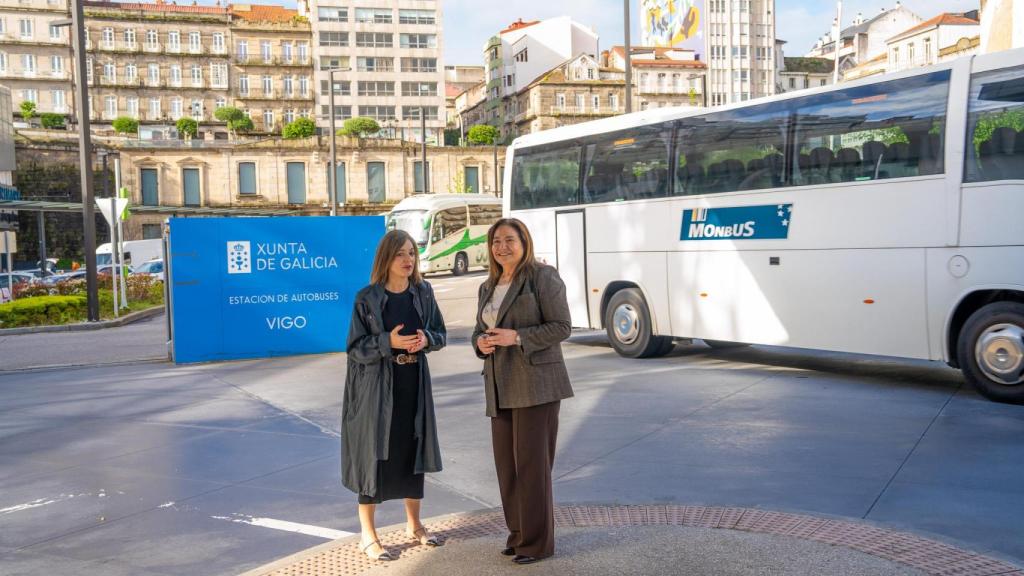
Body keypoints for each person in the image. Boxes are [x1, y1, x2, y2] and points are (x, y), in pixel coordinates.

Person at [472, 218, 574, 565]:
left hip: (536, 385)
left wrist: (517, 337)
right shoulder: (488, 286)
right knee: (508, 468)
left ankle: (537, 543)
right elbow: (478, 331)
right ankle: (517, 535)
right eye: (496, 241)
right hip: (499, 386)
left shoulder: (542, 277)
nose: (502, 247)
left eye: (509, 240)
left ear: (524, 242)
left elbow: (561, 326)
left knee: (532, 467)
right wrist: (481, 343)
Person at [341, 229, 446, 561]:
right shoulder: (366, 298)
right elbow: (355, 348)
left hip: (413, 383)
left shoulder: (423, 292)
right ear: (386, 258)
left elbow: (440, 334)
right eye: (400, 253)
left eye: (412, 253)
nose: (408, 260)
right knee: (374, 455)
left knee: (411, 449)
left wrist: (426, 340)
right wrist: (390, 342)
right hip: (376, 390)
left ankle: (414, 525)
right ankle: (367, 534)